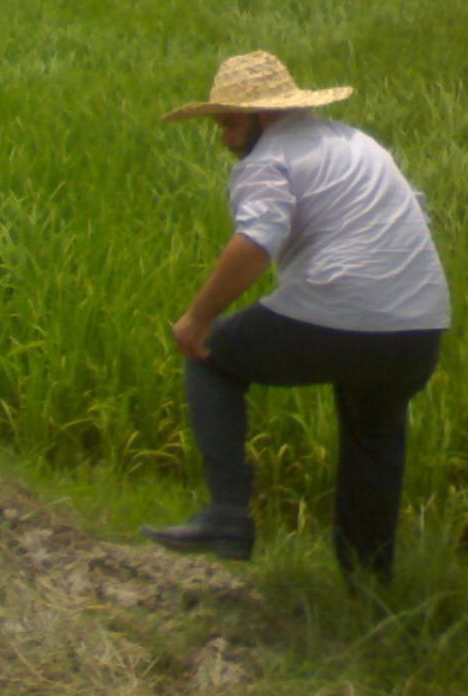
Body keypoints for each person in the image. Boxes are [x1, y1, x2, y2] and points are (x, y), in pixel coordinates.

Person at [142, 51, 449, 581]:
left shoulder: (268, 162)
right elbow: (413, 210)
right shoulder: (358, 143)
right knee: (373, 439)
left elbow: (255, 243)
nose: (224, 140)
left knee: (210, 357)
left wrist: (196, 318)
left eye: (230, 123)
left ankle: (227, 516)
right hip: (419, 327)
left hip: (337, 312)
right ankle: (367, 591)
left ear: (265, 116)